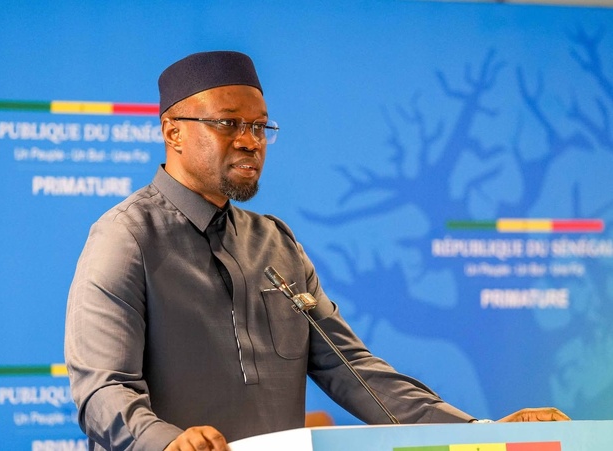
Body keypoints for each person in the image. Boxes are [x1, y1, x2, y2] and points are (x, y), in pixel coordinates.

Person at [64, 51, 569, 451]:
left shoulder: (275, 244)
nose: (250, 141)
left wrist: (479, 433)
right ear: (172, 131)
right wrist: (166, 441)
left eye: (260, 127)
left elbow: (355, 373)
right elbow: (102, 389)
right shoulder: (125, 238)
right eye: (229, 124)